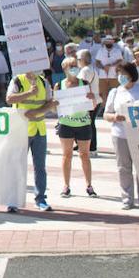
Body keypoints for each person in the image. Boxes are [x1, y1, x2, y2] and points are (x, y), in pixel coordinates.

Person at [103, 61, 139, 210]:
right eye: (119, 74)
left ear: (132, 75)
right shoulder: (115, 92)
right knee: (124, 168)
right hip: (120, 134)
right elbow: (106, 114)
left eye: (123, 74)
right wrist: (115, 117)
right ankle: (127, 199)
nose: (121, 77)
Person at [6, 68, 54, 212]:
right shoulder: (17, 80)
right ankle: (13, 201)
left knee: (40, 167)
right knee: (17, 166)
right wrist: (28, 93)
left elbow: (50, 103)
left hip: (39, 129)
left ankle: (41, 199)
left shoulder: (44, 82)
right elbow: (9, 99)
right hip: (20, 130)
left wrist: (38, 111)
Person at [56, 57, 96, 199]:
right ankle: (66, 186)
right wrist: (55, 103)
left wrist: (92, 98)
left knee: (84, 155)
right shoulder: (59, 85)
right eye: (70, 66)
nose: (73, 68)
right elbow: (55, 107)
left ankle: (89, 185)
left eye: (75, 65)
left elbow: (93, 105)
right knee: (67, 155)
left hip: (83, 123)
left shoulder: (84, 83)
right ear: (64, 68)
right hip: (66, 124)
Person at [76, 48, 100, 153]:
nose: (76, 62)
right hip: (92, 100)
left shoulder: (85, 70)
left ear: (82, 59)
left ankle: (92, 147)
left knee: (88, 124)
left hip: (90, 102)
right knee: (87, 124)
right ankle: (82, 144)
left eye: (77, 59)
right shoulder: (90, 68)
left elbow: (82, 85)